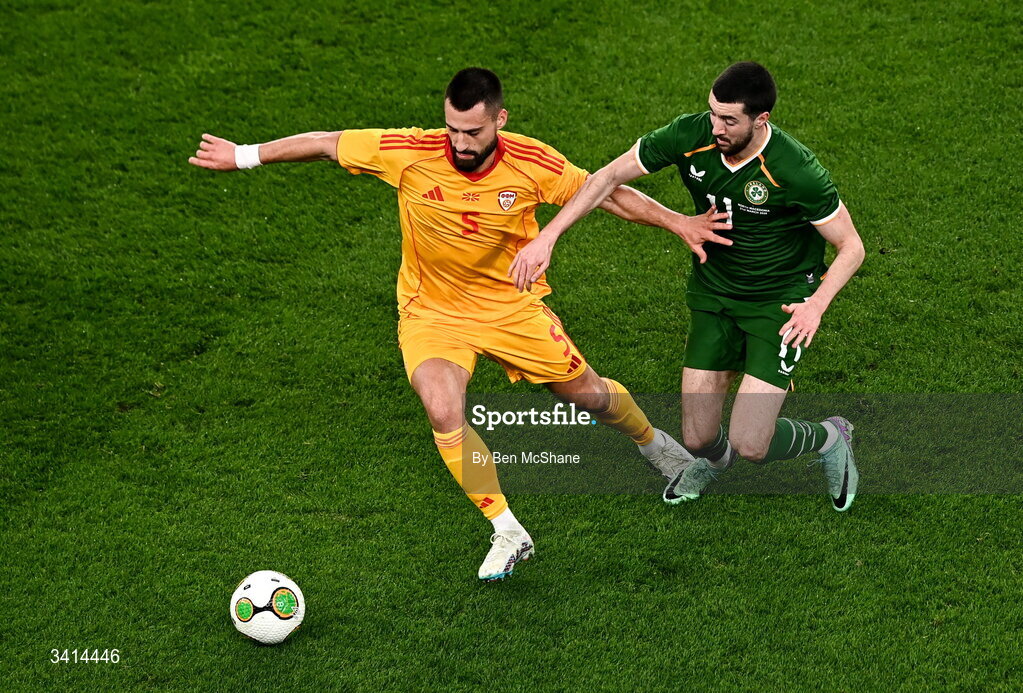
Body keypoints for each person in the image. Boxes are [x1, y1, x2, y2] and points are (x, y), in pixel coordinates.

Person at [189, 67, 723, 581]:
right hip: (433, 312)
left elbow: (606, 194)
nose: (461, 143)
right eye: (452, 129)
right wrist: (243, 156)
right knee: (443, 409)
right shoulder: (410, 153)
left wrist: (679, 221)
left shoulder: (532, 162)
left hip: (509, 307)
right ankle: (507, 530)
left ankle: (655, 447)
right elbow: (329, 142)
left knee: (590, 396)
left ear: (500, 120)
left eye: (473, 131)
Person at [509, 62, 865, 511]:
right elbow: (605, 177)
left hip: (778, 305)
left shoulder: (796, 170)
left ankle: (832, 436)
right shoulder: (690, 134)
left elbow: (851, 246)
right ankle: (714, 463)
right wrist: (548, 236)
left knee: (752, 443)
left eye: (729, 120)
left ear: (761, 121)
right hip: (714, 293)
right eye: (713, 113)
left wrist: (815, 306)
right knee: (698, 438)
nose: (715, 126)